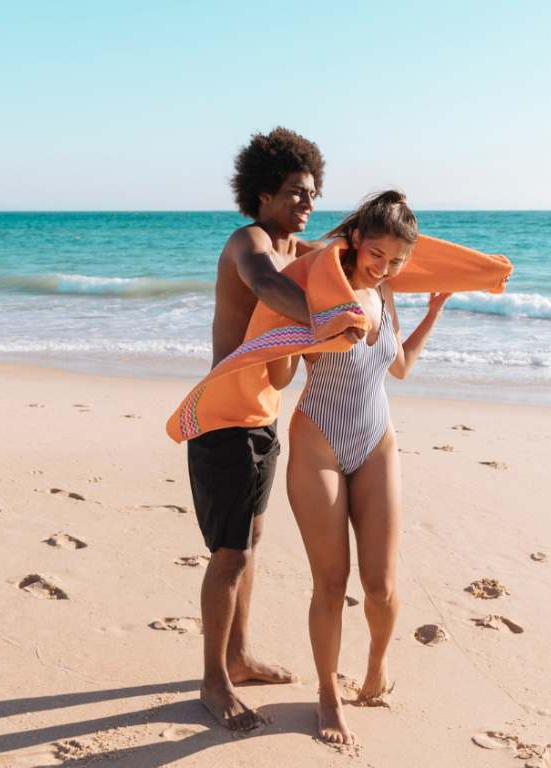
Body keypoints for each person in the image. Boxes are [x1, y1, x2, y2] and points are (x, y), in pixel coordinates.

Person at [267, 190, 452, 745]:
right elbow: (279, 375)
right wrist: (295, 329)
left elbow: (400, 368)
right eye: (378, 255)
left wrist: (434, 312)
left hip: (376, 442)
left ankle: (375, 668)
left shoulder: (388, 293)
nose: (385, 266)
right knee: (331, 582)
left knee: (381, 584)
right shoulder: (318, 287)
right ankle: (327, 694)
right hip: (319, 441)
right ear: (355, 241)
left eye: (397, 260)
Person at [189, 126, 346, 732]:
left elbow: (359, 256)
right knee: (229, 554)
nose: (306, 202)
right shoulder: (250, 242)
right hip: (224, 420)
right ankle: (213, 681)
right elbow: (267, 286)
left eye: (311, 192)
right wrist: (334, 317)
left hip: (261, 419)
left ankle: (238, 655)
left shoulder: (296, 248)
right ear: (261, 194)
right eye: (293, 192)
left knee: (250, 543)